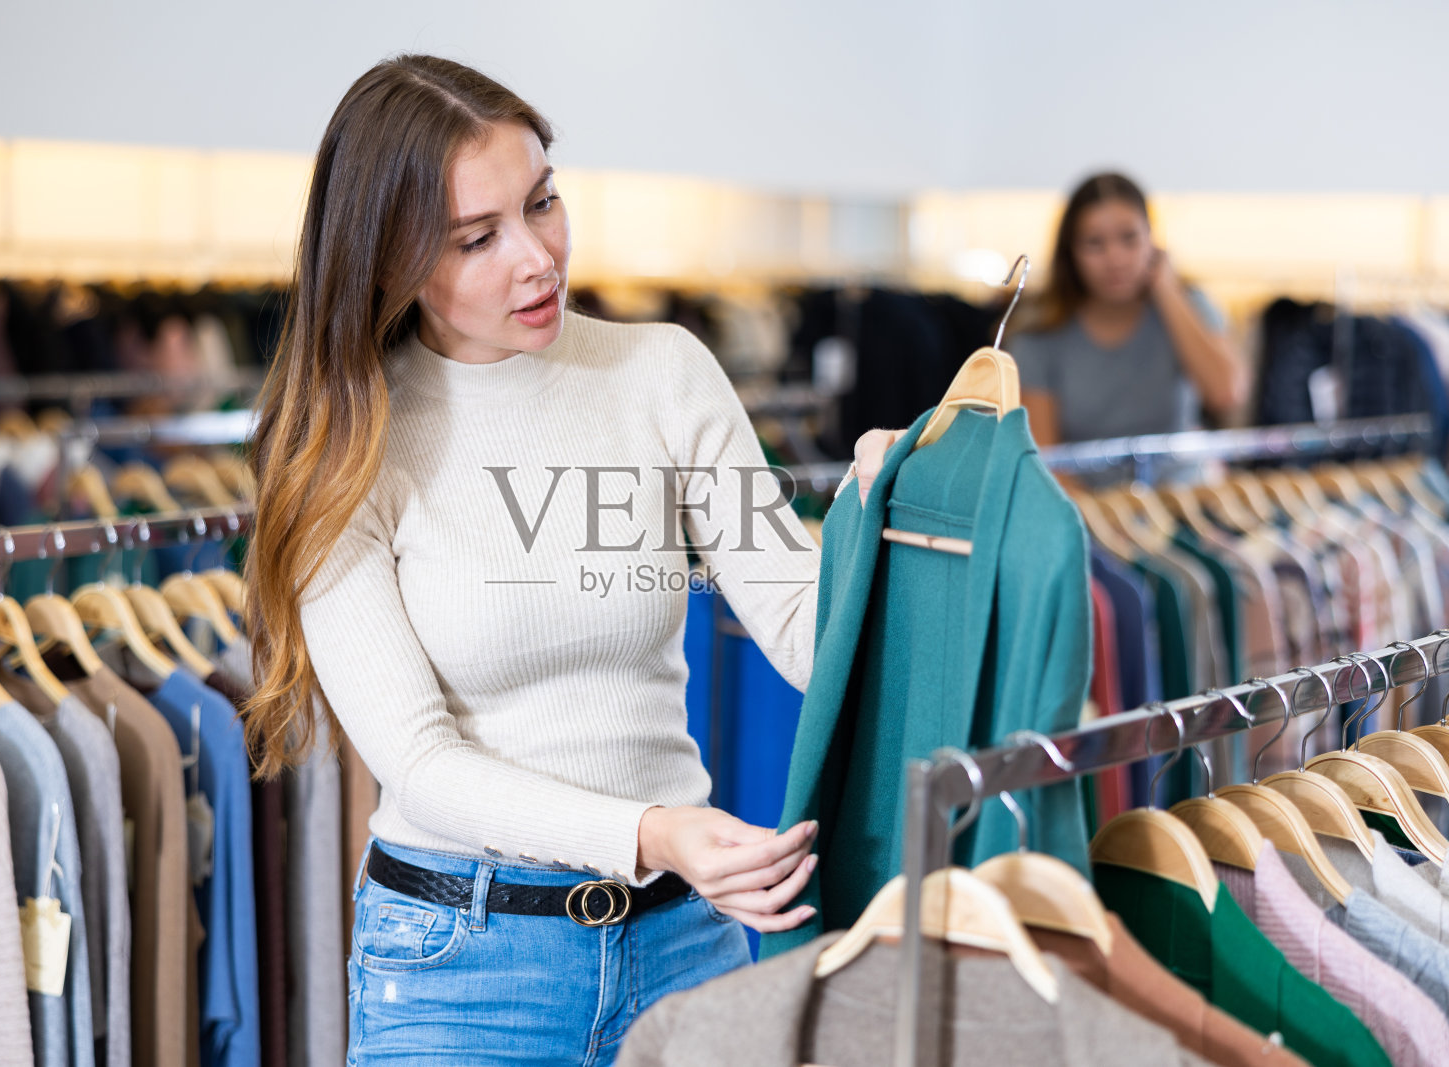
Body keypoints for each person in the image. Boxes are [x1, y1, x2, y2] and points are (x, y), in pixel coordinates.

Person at [239, 54, 898, 1064]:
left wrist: (878, 514)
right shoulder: (343, 450)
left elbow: (810, 633)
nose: (537, 256)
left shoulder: (660, 373)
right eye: (477, 238)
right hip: (460, 968)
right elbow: (420, 763)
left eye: (542, 202)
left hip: (685, 943)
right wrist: (654, 830)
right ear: (387, 262)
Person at [1012, 172, 1247, 447]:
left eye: (1129, 238)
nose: (1115, 258)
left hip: (1180, 488)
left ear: (1151, 239)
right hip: (1078, 491)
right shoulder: (1039, 333)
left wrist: (1168, 290)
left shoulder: (1188, 304)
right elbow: (1044, 461)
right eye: (1095, 243)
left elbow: (1227, 393)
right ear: (1070, 252)